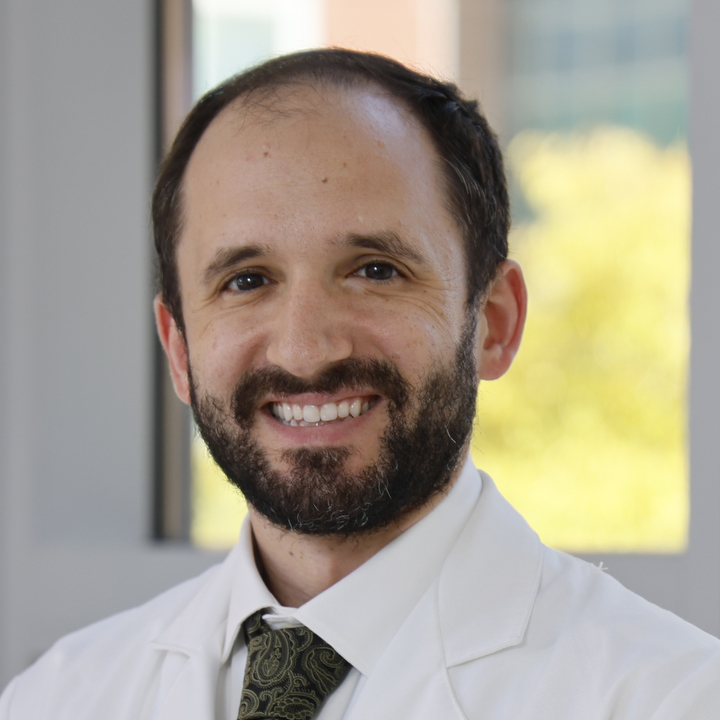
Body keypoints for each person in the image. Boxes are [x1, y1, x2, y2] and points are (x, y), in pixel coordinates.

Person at [1, 48, 719, 720]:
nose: (305, 350)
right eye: (246, 281)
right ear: (179, 349)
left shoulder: (671, 697)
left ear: (493, 322)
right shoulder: (56, 699)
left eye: (376, 270)